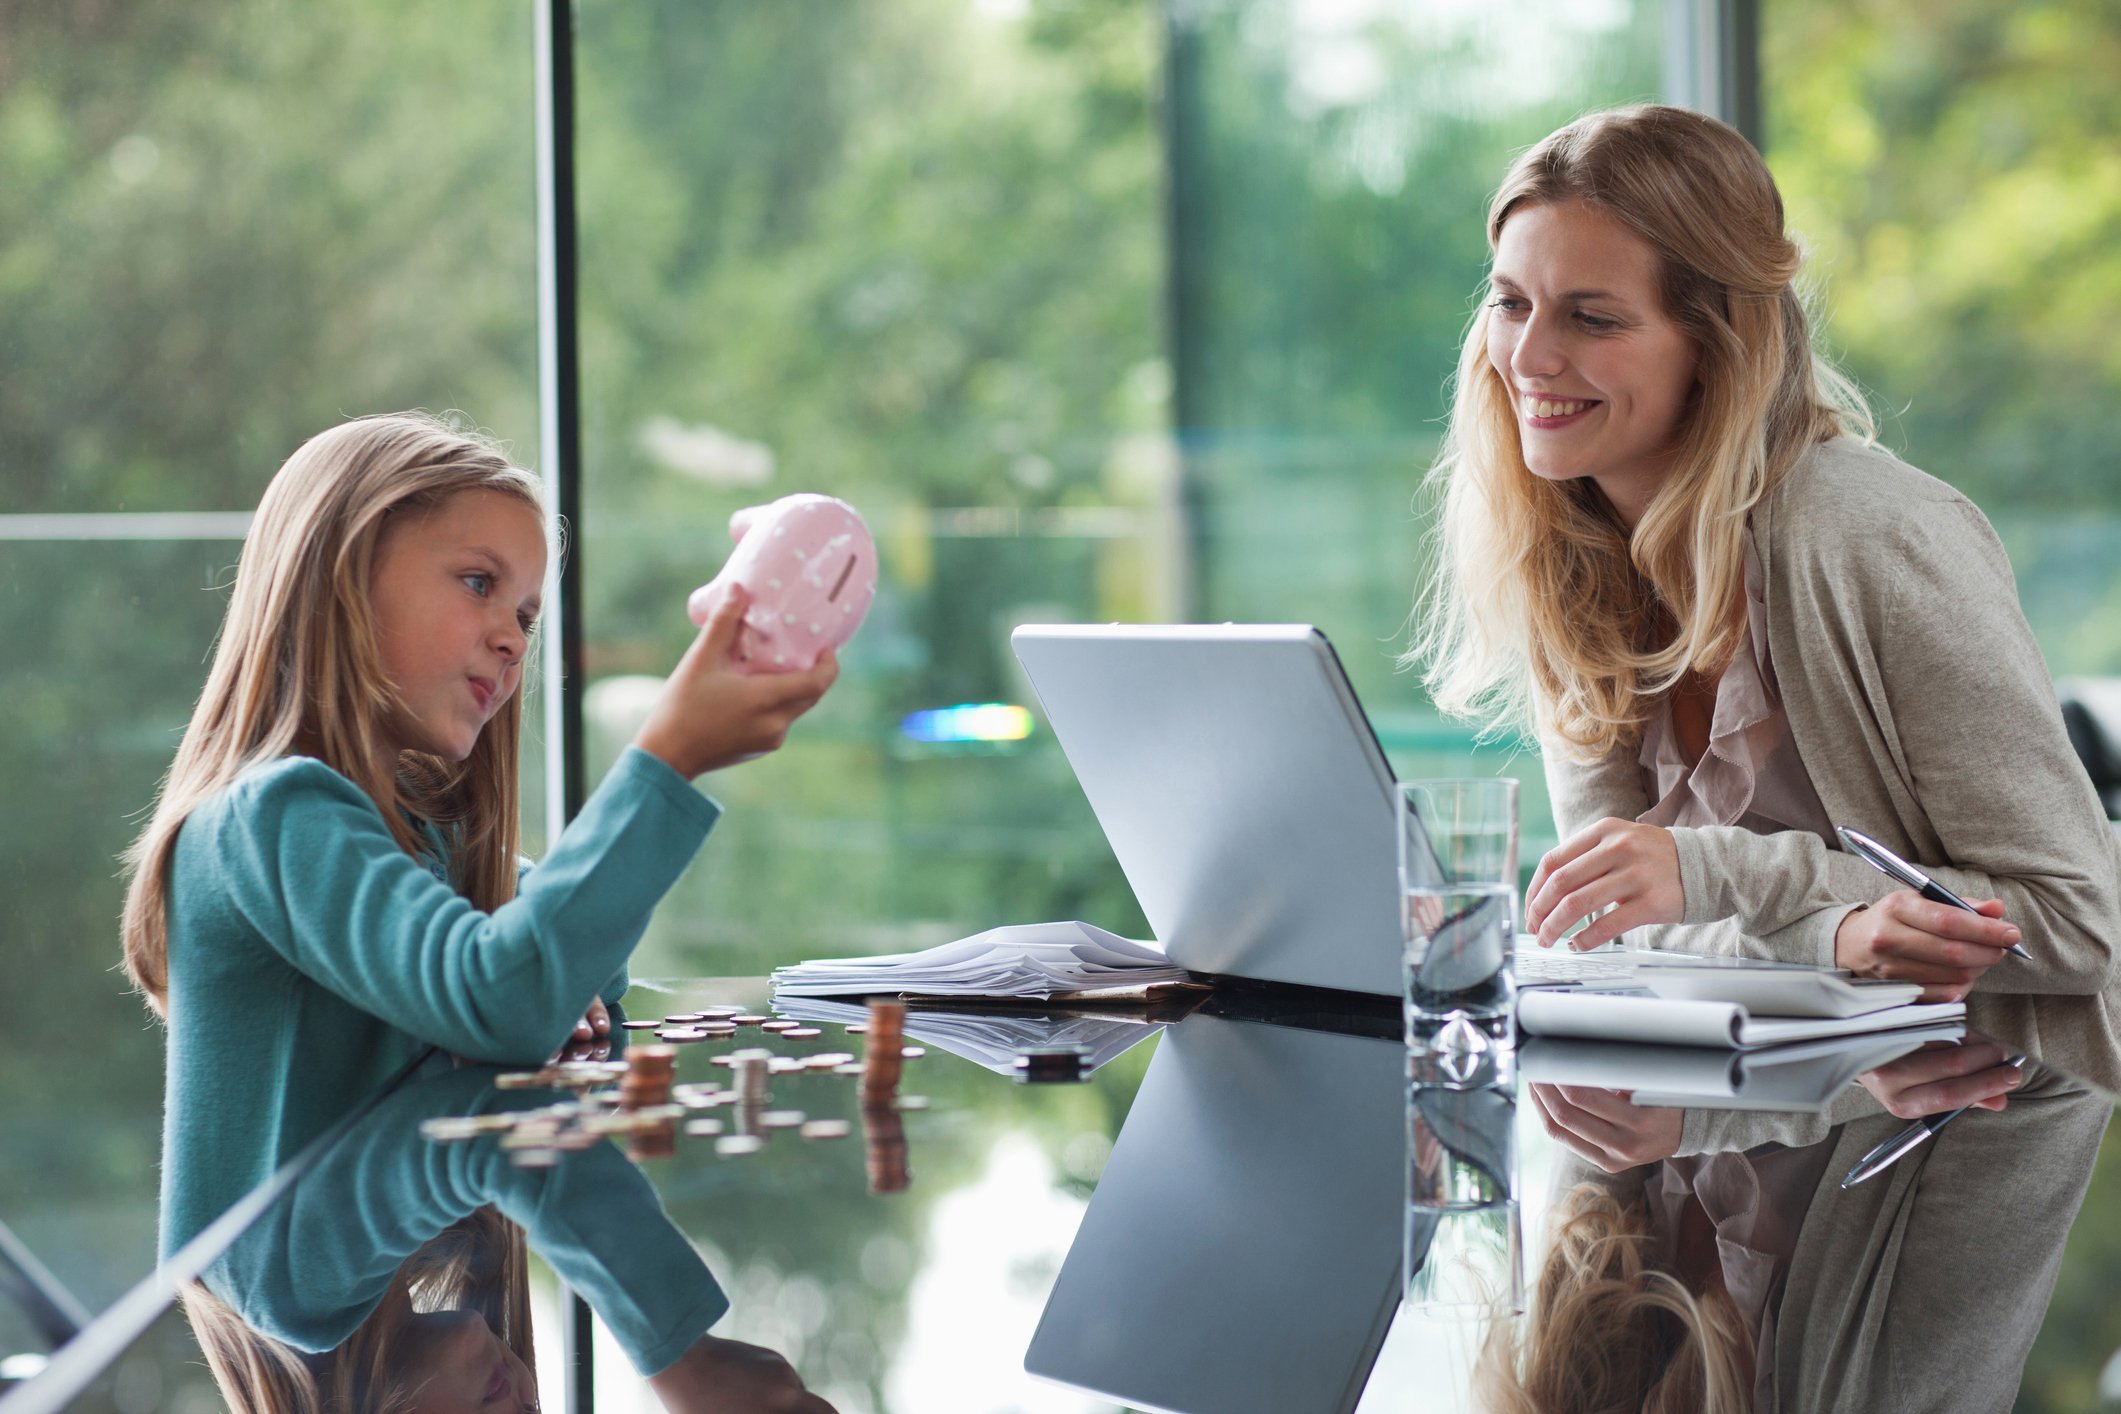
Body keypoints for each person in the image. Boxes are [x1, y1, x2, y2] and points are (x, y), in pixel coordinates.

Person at [1410, 105, 2121, 1066]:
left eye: (1591, 316)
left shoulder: (1877, 534)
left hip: (1996, 1106)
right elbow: (1619, 930)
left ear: (1713, 344)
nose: (1527, 357)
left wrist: (1713, 873)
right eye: (1508, 302)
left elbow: (2080, 926)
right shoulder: (1567, 557)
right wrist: (1823, 936)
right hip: (1767, 1111)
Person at [121, 411, 837, 1265]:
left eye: (528, 616)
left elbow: (572, 967)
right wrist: (668, 759)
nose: (511, 636)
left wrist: (543, 962)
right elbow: (508, 998)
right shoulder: (272, 816)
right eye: (476, 582)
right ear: (343, 576)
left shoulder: (407, 835)